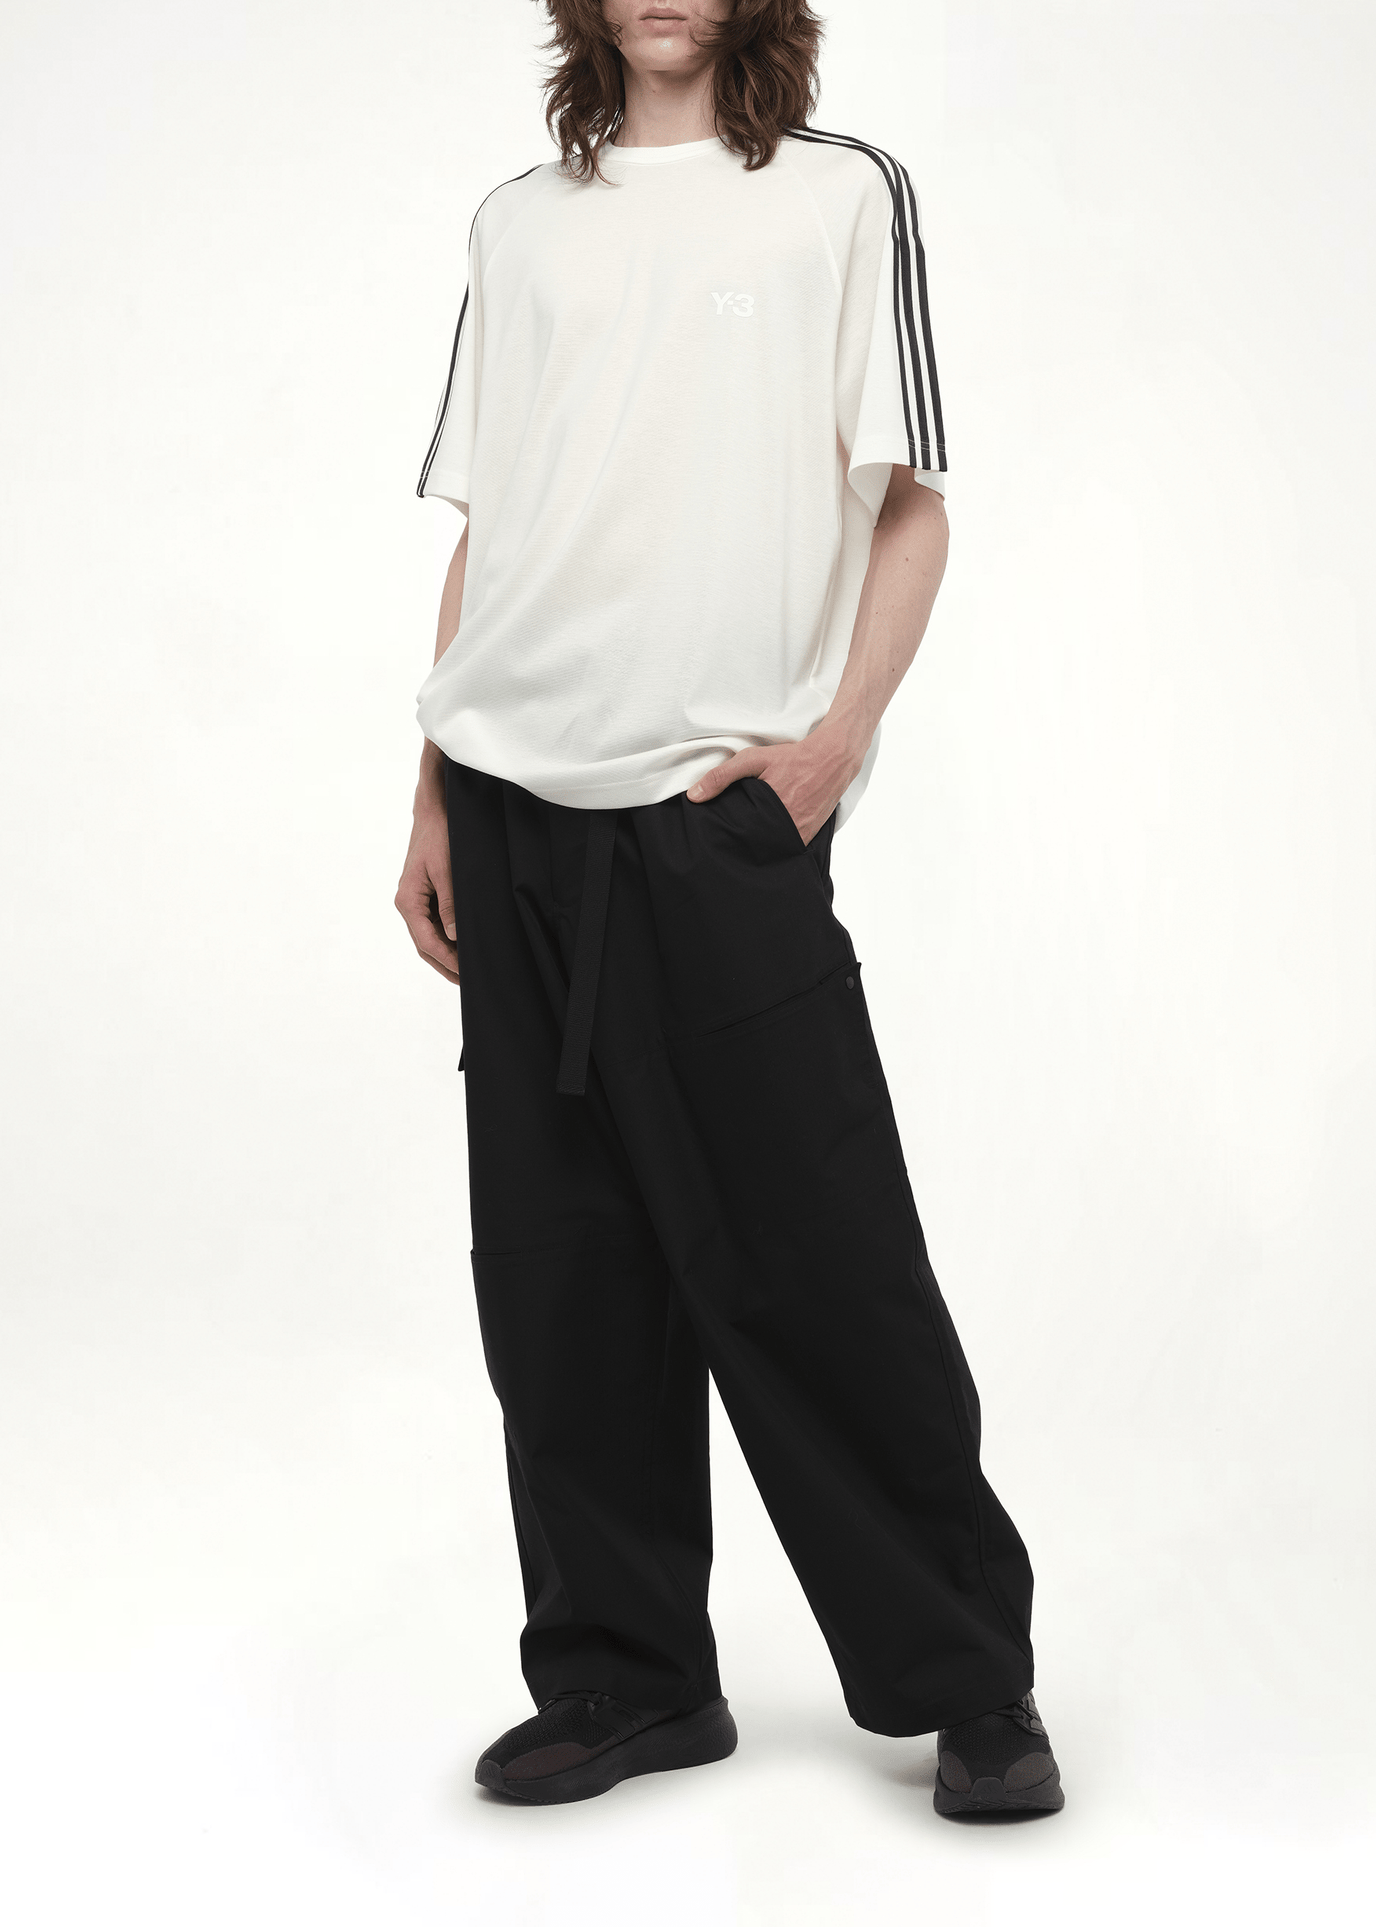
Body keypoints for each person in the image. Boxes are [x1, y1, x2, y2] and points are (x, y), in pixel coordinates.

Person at [395, 0, 1063, 1817]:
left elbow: (911, 504)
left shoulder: (838, 196)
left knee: (820, 1255)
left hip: (716, 817)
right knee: (560, 1274)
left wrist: (834, 745)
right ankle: (625, 1678)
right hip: (513, 809)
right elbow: (495, 526)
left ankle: (970, 1677)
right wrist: (434, 786)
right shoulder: (519, 224)